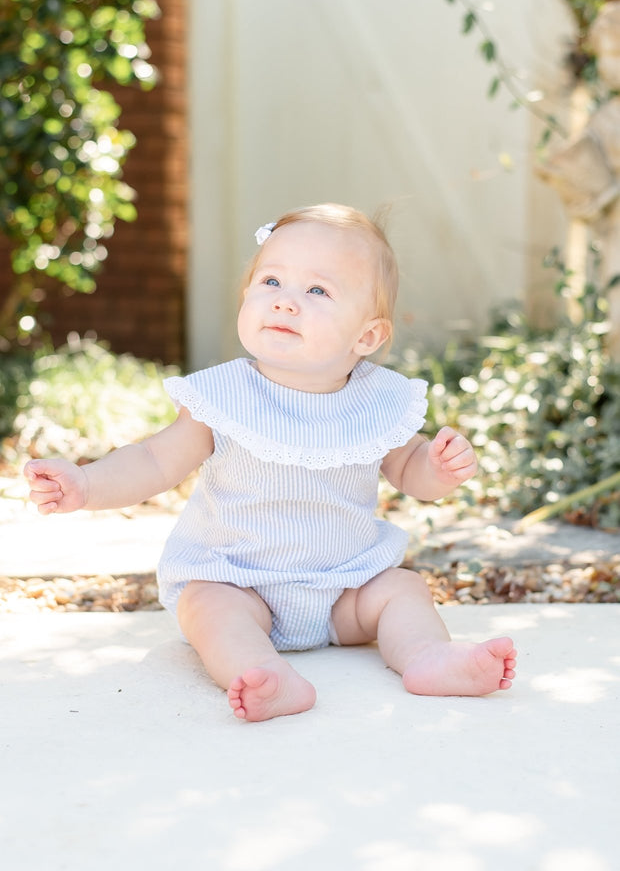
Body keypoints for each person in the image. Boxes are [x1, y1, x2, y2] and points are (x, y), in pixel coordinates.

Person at [25, 203, 517, 722]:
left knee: (403, 589)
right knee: (205, 607)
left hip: (346, 587)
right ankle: (264, 673)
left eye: (317, 291)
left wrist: (437, 468)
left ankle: (428, 657)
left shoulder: (378, 401)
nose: (285, 303)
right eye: (271, 281)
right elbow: (151, 460)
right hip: (240, 582)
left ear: (367, 337)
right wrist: (86, 483)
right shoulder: (224, 397)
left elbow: (409, 468)